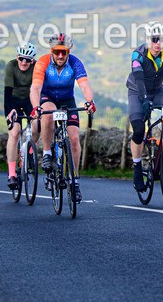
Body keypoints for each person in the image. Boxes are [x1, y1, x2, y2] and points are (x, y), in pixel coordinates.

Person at [30, 33, 95, 204]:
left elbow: (84, 85)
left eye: (64, 52)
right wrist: (36, 107)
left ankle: (75, 181)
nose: (60, 56)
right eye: (57, 52)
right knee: (48, 115)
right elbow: (35, 88)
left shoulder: (75, 62)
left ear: (68, 52)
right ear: (51, 51)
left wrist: (90, 102)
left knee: (74, 139)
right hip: (47, 98)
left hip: (67, 100)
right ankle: (46, 153)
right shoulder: (43, 62)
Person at [126, 21, 163, 191]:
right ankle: (137, 168)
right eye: (154, 39)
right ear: (147, 40)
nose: (158, 43)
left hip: (158, 90)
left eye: (161, 39)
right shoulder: (138, 54)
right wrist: (144, 100)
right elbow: (138, 78)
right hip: (137, 91)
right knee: (138, 129)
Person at [4, 44, 37, 190]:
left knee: (38, 125)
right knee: (15, 132)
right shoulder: (11, 66)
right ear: (17, 57)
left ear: (32, 61)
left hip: (30, 100)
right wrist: (10, 110)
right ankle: (12, 174)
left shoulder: (36, 68)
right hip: (14, 101)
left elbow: (39, 89)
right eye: (21, 58)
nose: (24, 62)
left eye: (28, 60)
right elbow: (7, 91)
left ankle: (29, 152)